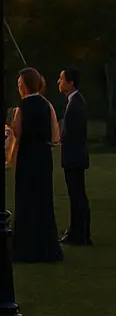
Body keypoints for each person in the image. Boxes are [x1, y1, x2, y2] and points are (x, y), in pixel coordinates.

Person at [9, 68, 63, 264]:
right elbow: (56, 136)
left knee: (25, 199)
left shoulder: (21, 107)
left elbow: (18, 132)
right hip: (43, 156)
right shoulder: (47, 105)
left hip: (27, 156)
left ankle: (25, 246)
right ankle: (46, 245)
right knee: (43, 199)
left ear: (24, 85)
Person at [58, 68, 91, 246]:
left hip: (74, 157)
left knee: (77, 196)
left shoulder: (76, 103)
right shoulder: (74, 101)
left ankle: (79, 234)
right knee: (77, 195)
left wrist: (59, 139)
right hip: (74, 157)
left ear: (71, 83)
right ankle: (78, 231)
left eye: (62, 79)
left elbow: (72, 133)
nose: (59, 82)